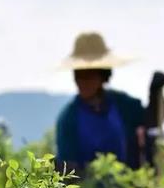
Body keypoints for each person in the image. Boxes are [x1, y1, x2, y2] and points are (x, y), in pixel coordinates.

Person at [56, 32, 145, 174]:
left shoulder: (124, 105)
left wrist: (156, 92)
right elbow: (66, 169)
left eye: (88, 75)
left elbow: (152, 123)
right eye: (78, 75)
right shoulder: (69, 118)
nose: (82, 81)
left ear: (102, 75)